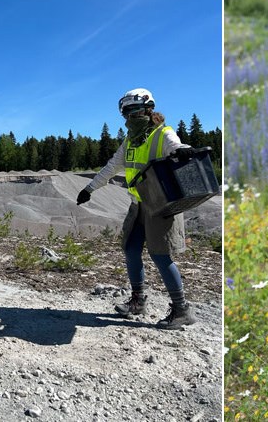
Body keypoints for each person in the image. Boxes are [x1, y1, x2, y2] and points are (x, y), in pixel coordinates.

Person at [76, 88, 198, 330]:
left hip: (161, 206)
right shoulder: (129, 141)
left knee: (160, 255)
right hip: (138, 205)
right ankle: (138, 301)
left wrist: (182, 150)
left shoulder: (162, 133)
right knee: (131, 249)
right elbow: (112, 167)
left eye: (135, 110)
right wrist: (89, 189)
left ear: (148, 109)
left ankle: (182, 309)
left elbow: (175, 145)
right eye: (127, 112)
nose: (131, 116)